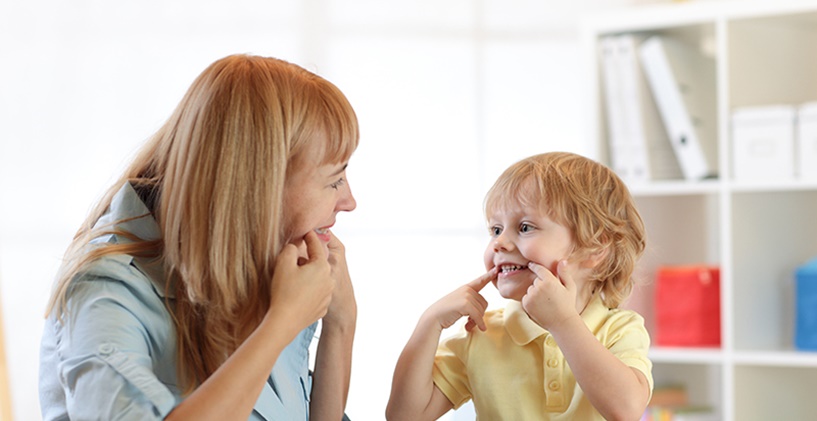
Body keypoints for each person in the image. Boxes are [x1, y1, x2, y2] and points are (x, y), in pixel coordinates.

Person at [39, 54, 359, 420]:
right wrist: (281, 324)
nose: (349, 201)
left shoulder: (268, 265)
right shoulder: (105, 292)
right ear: (258, 187)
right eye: (334, 180)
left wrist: (340, 323)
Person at [386, 152, 653, 420]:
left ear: (595, 247)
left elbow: (626, 410)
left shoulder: (620, 330)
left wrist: (562, 322)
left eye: (525, 227)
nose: (499, 243)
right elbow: (404, 416)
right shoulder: (482, 334)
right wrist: (429, 323)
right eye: (496, 229)